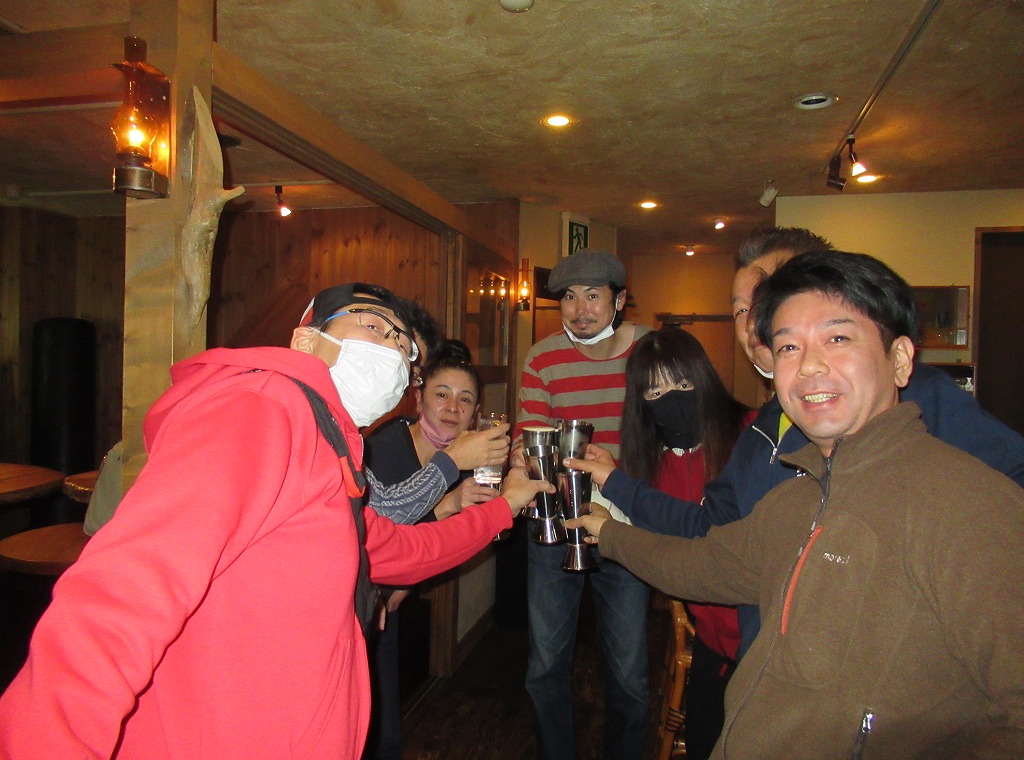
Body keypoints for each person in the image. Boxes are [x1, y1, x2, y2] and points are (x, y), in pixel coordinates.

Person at [0, 282, 552, 760]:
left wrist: (505, 504)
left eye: (405, 351)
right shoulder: (259, 408)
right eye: (375, 326)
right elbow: (121, 595)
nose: (393, 350)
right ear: (307, 338)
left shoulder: (328, 447)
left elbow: (399, 550)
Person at [569, 250, 1024, 758]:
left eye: (837, 338)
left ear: (900, 360)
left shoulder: (971, 504)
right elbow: (702, 562)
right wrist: (608, 533)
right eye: (788, 346)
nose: (809, 364)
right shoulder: (795, 498)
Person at [513, 249, 652, 760]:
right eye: (569, 297)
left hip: (624, 521)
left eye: (593, 295)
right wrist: (523, 461)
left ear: (618, 300)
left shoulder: (649, 351)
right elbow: (530, 435)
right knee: (545, 664)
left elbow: (670, 434)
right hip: (557, 518)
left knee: (630, 673)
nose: (580, 309)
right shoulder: (542, 357)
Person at [617, 326, 754, 760]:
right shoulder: (652, 466)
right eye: (655, 391)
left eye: (681, 383)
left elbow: (717, 538)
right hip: (712, 642)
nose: (671, 399)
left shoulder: (751, 435)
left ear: (703, 377)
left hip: (763, 640)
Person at [362, 342, 496, 760]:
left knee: (385, 724)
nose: (453, 407)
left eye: (465, 399)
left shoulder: (470, 454)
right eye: (442, 394)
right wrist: (447, 504)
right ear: (418, 399)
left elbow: (443, 537)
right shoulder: (384, 446)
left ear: (475, 413)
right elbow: (379, 529)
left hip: (394, 594)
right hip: (363, 593)